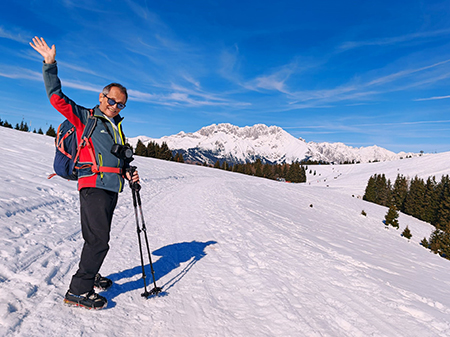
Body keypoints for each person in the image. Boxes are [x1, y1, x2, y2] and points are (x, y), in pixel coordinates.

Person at [30, 36, 140, 310]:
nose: (116, 107)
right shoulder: (86, 117)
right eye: (113, 101)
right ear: (102, 97)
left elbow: (117, 157)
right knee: (98, 240)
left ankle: (90, 275)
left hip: (111, 188)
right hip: (93, 186)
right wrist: (50, 64)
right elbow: (57, 98)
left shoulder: (116, 126)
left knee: (97, 237)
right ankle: (77, 291)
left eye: (121, 105)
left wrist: (128, 172)